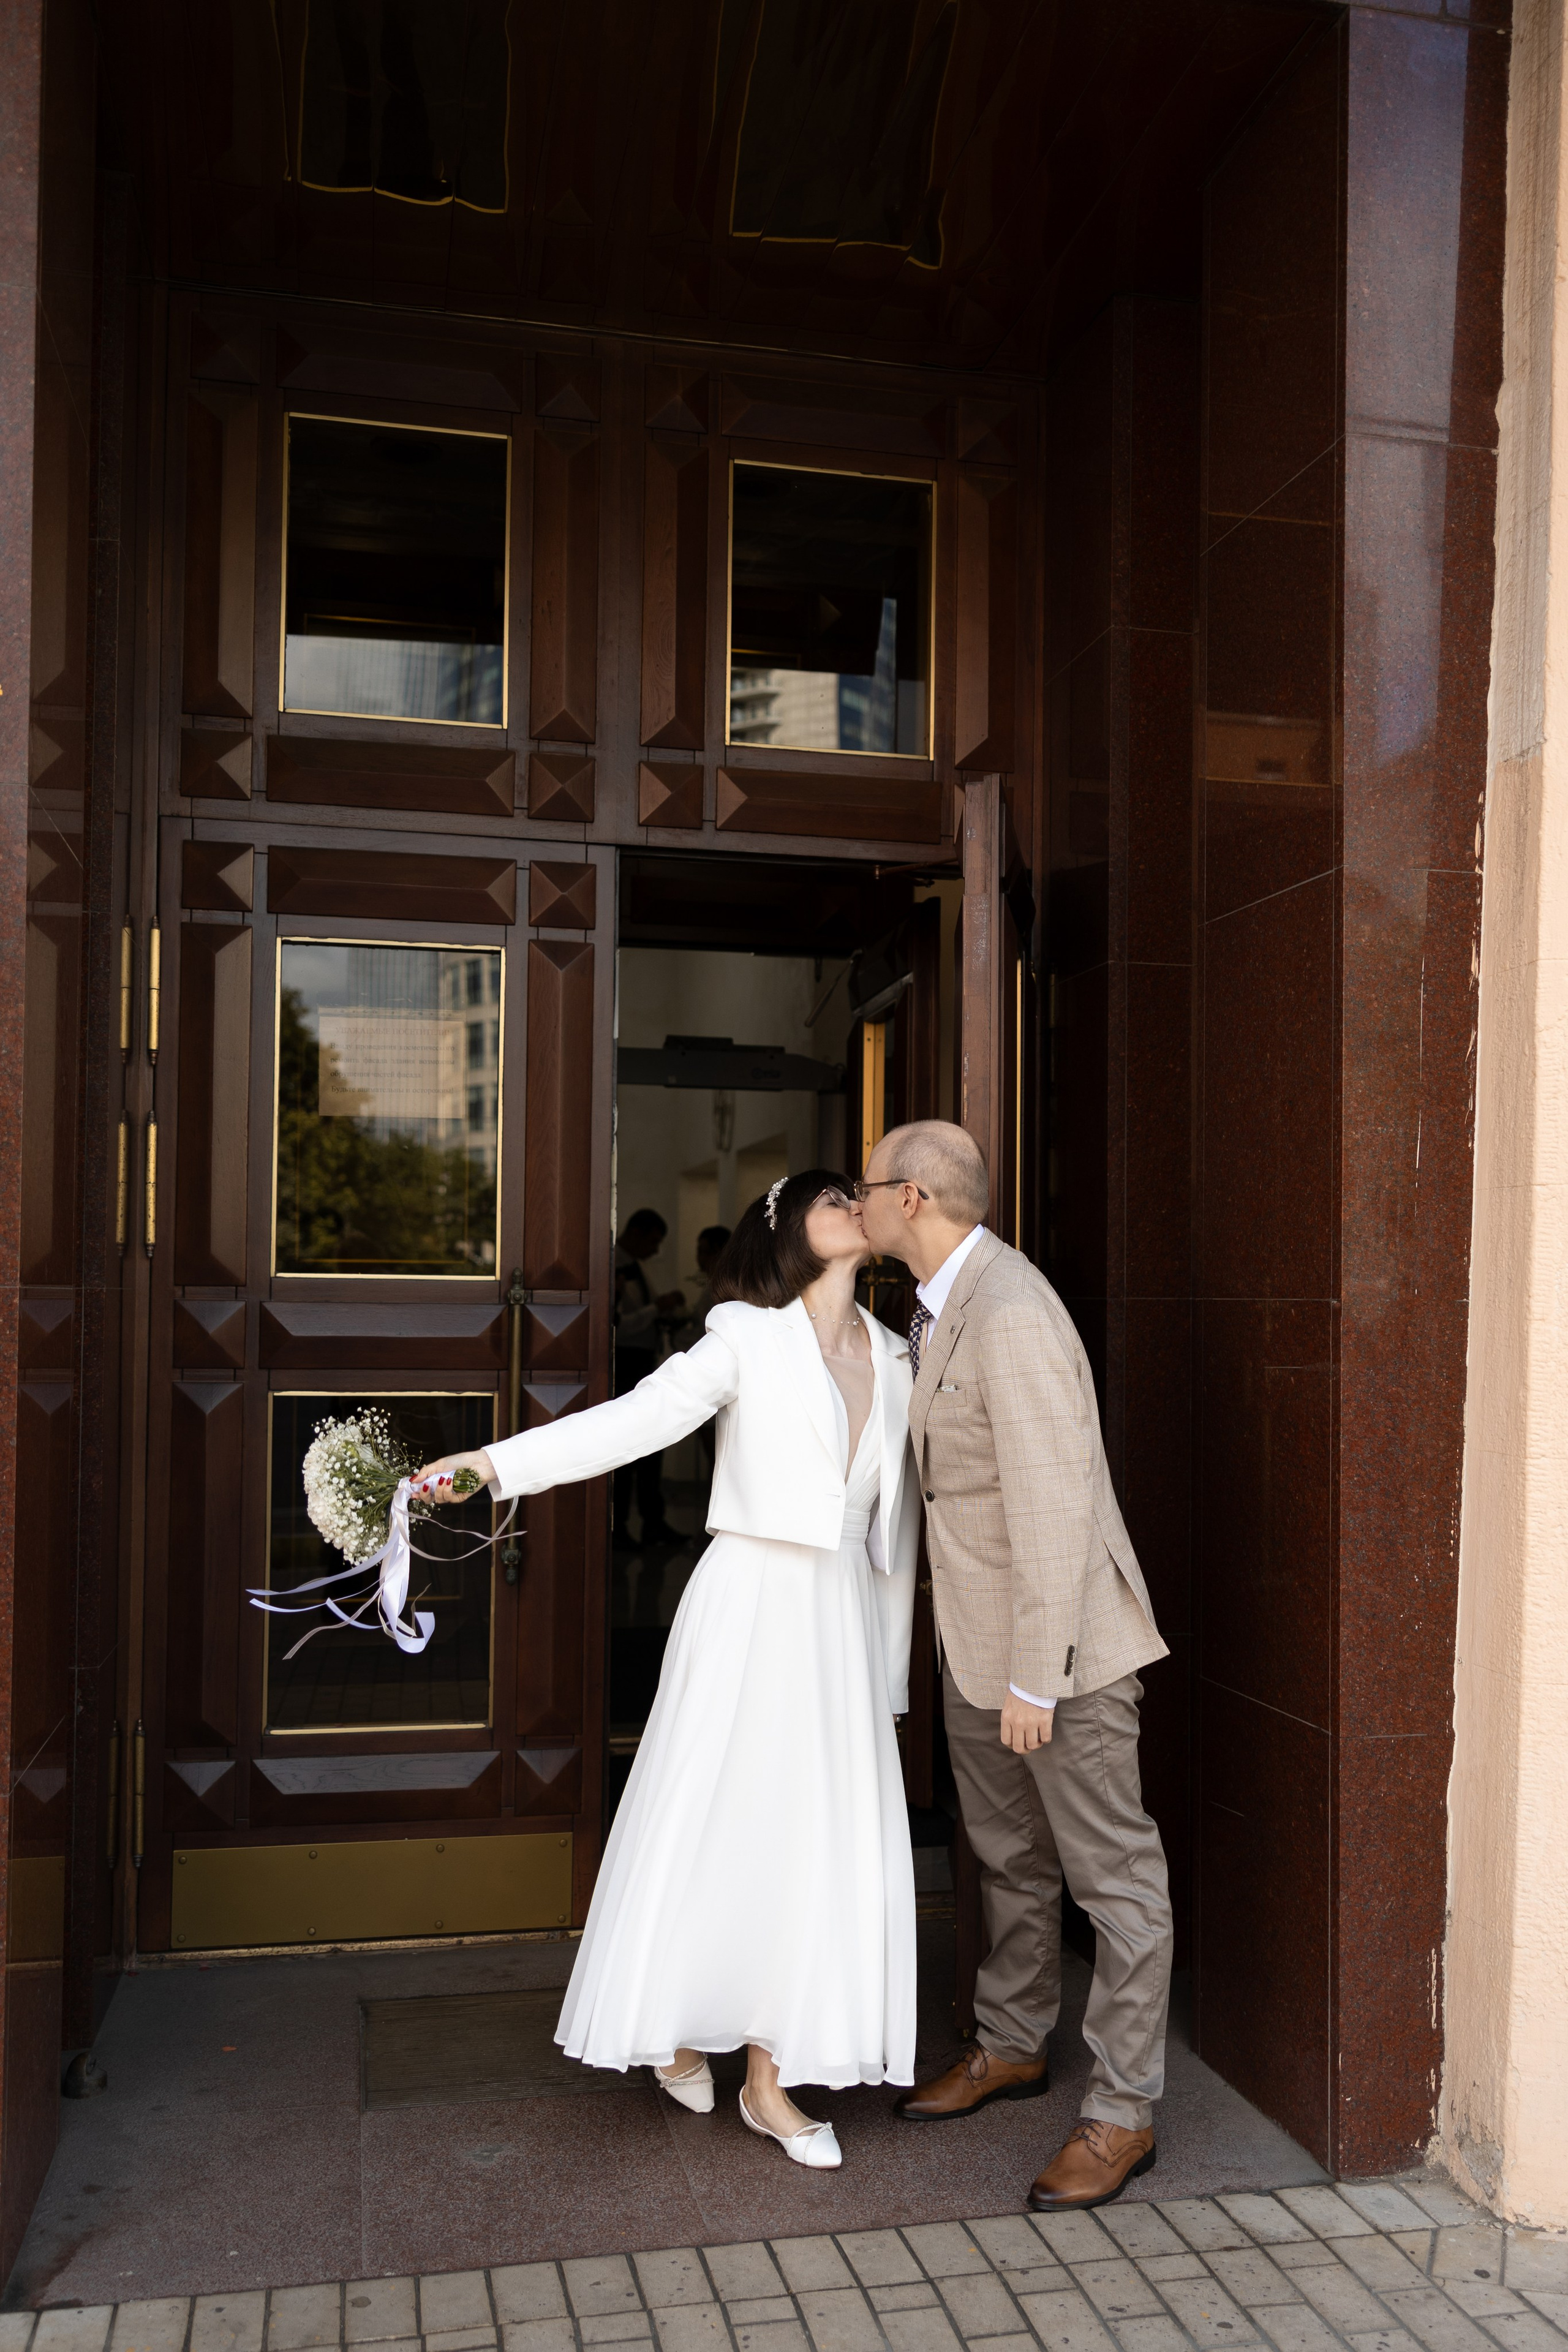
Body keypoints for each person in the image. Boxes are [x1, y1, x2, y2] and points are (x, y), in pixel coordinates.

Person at [416, 1173, 919, 2168]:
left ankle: (772, 2085)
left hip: (842, 1623)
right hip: (749, 1605)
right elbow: (629, 1425)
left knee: (815, 1839)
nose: (857, 1205)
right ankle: (678, 2022)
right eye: (834, 1197)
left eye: (860, 1194)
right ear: (787, 1230)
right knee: (719, 1818)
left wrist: (891, 1674)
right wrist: (492, 1467)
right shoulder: (744, 1336)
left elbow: (892, 1539)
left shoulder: (899, 1356)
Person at [856, 1119, 1174, 2215]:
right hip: (980, 1650)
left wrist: (1040, 1677)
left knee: (1115, 1882)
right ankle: (1012, 2045)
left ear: (911, 1198)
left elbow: (1055, 1505)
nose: (856, 1203)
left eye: (865, 1187)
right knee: (1005, 1859)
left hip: (1061, 1661)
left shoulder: (1016, 1311)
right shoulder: (942, 1302)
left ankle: (1124, 2112)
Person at [612, 1207, 687, 1547]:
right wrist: (658, 1309)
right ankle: (621, 1526)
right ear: (637, 1233)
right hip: (625, 1362)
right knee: (628, 1446)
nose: (657, 1251)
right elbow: (618, 1326)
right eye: (654, 1241)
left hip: (643, 1360)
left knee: (653, 1443)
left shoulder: (636, 1267)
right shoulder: (613, 1265)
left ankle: (652, 1521)